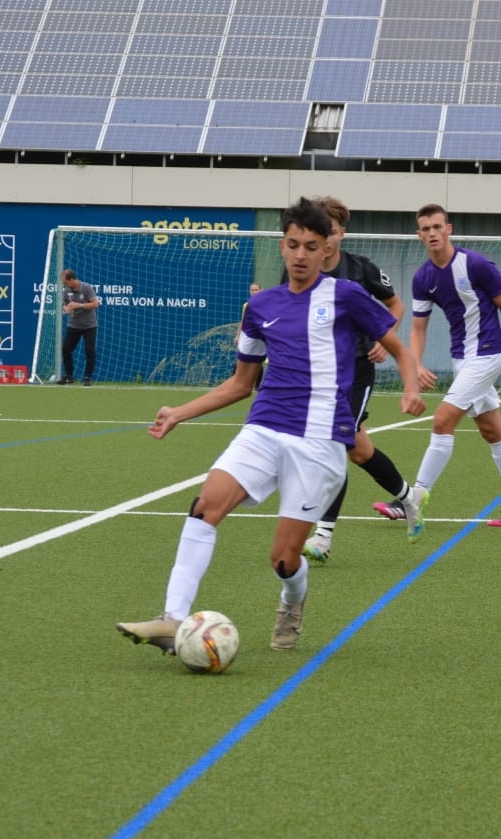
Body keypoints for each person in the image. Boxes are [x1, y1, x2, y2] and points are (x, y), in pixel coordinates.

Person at [117, 198, 426, 656]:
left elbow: (398, 349)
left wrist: (410, 388)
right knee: (205, 505)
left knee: (284, 559)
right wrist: (181, 411)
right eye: (293, 244)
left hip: (320, 442)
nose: (301, 255)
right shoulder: (260, 306)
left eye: (311, 247)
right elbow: (241, 384)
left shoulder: (345, 295)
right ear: (282, 246)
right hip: (264, 428)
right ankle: (172, 619)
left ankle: (292, 599)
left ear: (325, 249)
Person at [403, 203, 501, 541]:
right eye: (426, 229)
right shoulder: (422, 278)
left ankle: (415, 496)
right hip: (462, 360)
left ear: (448, 229)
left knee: (441, 421)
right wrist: (416, 364)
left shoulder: (475, 264)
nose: (432, 233)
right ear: (419, 235)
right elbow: (418, 328)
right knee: (492, 430)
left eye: (437, 226)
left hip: (488, 355)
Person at [291, 196, 418, 565]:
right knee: (359, 450)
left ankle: (323, 536)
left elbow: (395, 305)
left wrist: (383, 339)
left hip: (356, 369)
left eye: (329, 232)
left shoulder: (360, 269)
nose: (323, 239)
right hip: (318, 374)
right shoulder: (300, 269)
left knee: (335, 443)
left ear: (341, 233)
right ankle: (409, 497)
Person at [59, 268, 98, 385]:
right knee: (66, 349)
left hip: (89, 325)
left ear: (72, 279)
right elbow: (64, 304)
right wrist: (65, 308)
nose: (64, 285)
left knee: (89, 351)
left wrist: (79, 305)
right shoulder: (66, 290)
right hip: (73, 325)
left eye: (66, 282)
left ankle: (87, 377)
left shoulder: (86, 287)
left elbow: (95, 304)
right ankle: (69, 376)